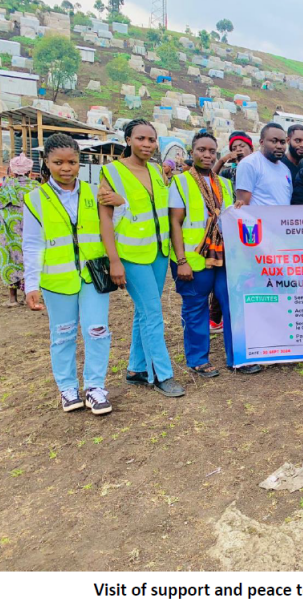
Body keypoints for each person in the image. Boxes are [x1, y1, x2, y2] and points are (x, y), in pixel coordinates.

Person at [22, 134, 112, 415]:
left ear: (79, 162)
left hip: (92, 276)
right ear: (46, 162)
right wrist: (31, 284)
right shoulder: (35, 199)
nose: (65, 168)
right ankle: (67, 389)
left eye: (72, 162)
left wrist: (118, 203)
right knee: (62, 335)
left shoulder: (94, 192)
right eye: (58, 162)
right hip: (57, 280)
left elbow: (111, 226)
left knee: (97, 331)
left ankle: (95, 388)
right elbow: (32, 244)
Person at [98, 119, 186, 398]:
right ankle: (161, 374)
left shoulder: (157, 171)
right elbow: (105, 221)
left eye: (151, 139)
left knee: (145, 312)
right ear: (128, 140)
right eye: (140, 139)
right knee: (153, 314)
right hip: (131, 255)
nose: (147, 144)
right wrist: (114, 260)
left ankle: (136, 369)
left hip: (158, 253)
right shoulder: (112, 172)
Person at [169, 130, 262, 377]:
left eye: (212, 151)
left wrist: (238, 209)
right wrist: (181, 260)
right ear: (192, 152)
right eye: (201, 150)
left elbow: (229, 217)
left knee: (231, 303)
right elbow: (175, 222)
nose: (207, 155)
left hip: (223, 255)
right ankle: (198, 359)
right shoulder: (180, 182)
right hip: (193, 258)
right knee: (196, 307)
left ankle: (238, 357)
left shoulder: (225, 184)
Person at [210, 130, 254, 332]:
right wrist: (222, 161)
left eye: (242, 146)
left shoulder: (256, 167)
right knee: (227, 272)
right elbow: (211, 179)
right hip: (231, 230)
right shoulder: (228, 172)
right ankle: (215, 318)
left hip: (253, 228)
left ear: (251, 148)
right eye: (234, 148)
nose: (238, 150)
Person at [0, 153, 39, 306]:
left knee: (9, 260)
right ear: (29, 171)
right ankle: (29, 295)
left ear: (13, 171)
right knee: (30, 261)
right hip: (32, 232)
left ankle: (12, 299)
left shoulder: (8, 186)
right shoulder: (36, 187)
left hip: (10, 233)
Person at [234, 122, 293, 207]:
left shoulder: (285, 170)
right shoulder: (249, 164)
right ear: (262, 142)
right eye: (274, 141)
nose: (279, 146)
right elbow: (243, 206)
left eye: (282, 142)